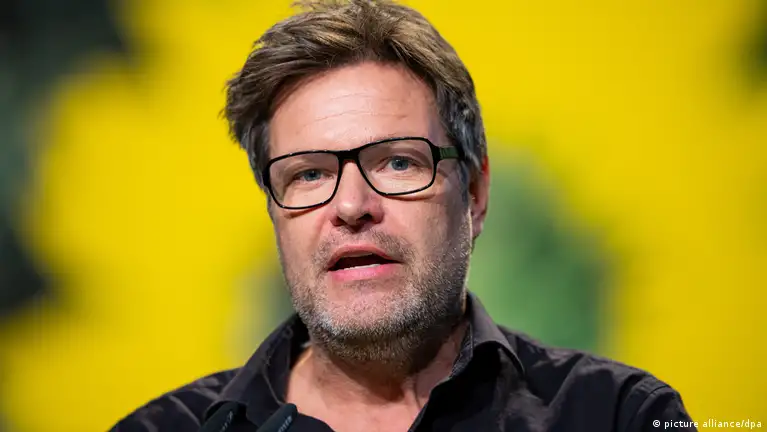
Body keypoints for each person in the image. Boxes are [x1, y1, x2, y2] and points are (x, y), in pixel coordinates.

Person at [111, 1, 696, 431]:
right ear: (274, 213)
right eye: (308, 174)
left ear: (475, 192)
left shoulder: (621, 416)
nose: (351, 207)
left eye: (397, 162)